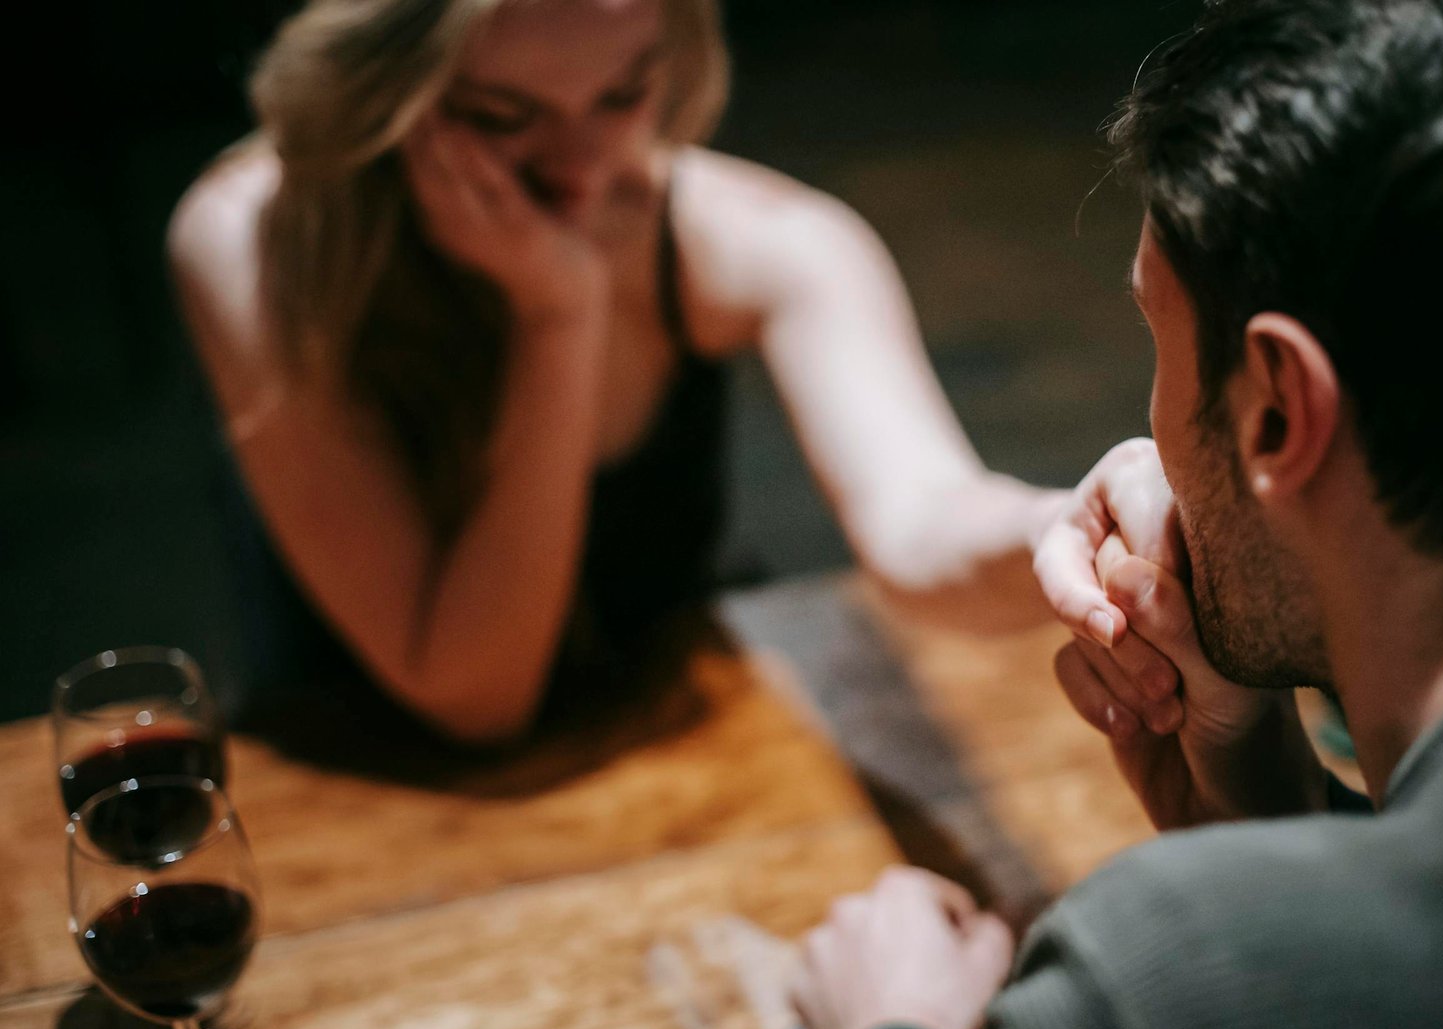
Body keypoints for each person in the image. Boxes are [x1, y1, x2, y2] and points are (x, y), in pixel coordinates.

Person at [792, 0, 1443, 1029]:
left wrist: (892, 1026)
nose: (1152, 430)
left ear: (1275, 409)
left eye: (1157, 341)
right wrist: (1273, 807)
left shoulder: (1171, 972)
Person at [167, 0, 1064, 744]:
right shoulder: (256, 241)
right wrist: (559, 317)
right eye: (500, 116)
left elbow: (920, 526)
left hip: (658, 737)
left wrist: (1058, 525)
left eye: (622, 94)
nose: (582, 170)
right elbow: (475, 694)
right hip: (362, 769)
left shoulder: (757, 236)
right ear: (382, 88)